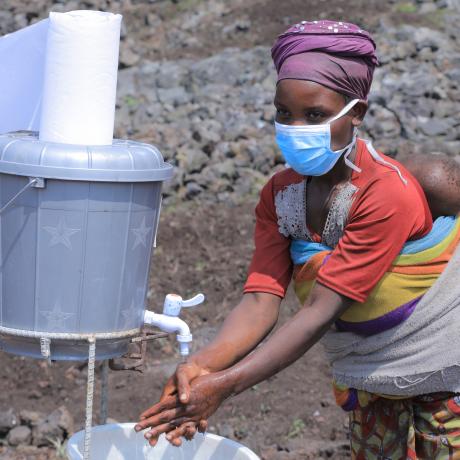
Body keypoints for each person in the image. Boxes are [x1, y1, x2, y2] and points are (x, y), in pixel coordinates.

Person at [135, 20, 460, 458]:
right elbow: (260, 300)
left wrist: (225, 386)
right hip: (370, 374)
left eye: (315, 115)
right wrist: (200, 368)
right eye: (283, 114)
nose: (294, 126)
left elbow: (320, 311)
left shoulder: (386, 193)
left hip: (439, 360)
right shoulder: (281, 195)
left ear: (356, 114)